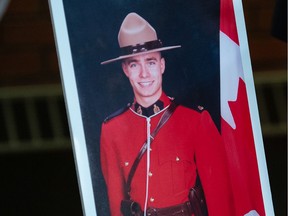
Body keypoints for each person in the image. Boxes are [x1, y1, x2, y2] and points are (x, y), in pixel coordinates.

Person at [100, 12, 233, 216]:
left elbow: (219, 196)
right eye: (135, 64)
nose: (144, 74)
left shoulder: (195, 120)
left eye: (151, 62)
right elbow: (115, 203)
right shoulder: (112, 129)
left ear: (162, 65)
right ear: (125, 70)